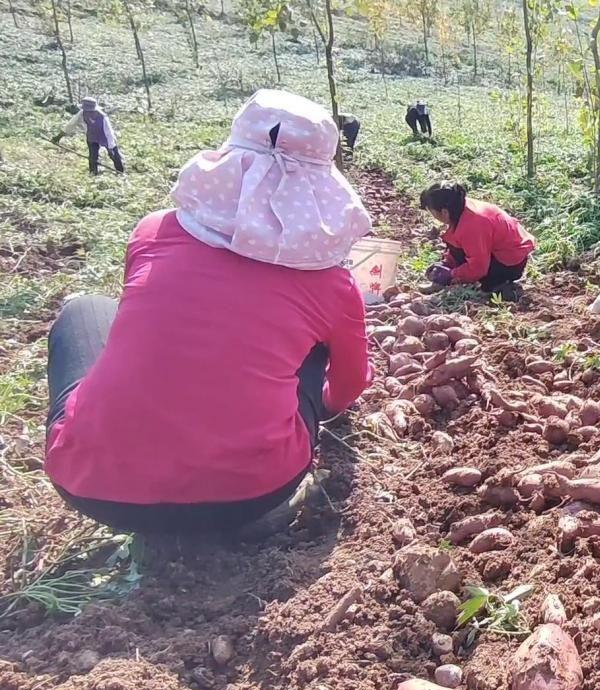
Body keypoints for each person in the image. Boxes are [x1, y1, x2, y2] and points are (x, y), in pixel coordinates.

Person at [43, 89, 374, 536]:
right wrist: (319, 405)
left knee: (85, 310)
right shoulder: (333, 285)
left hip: (92, 487)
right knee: (313, 347)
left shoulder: (153, 232)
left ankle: (115, 436)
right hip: (253, 493)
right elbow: (350, 384)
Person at [420, 181, 535, 298]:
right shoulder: (459, 208)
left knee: (487, 284)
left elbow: (478, 267)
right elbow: (457, 245)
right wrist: (446, 264)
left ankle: (500, 286)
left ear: (444, 212)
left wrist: (451, 275)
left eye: (433, 212)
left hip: (510, 262)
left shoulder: (472, 224)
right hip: (497, 249)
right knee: (459, 257)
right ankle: (442, 282)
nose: (433, 216)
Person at [52, 97, 124, 175]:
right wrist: (59, 137)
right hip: (92, 136)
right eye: (87, 111)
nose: (89, 112)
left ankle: (120, 172)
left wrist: (110, 148)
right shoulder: (82, 113)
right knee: (93, 156)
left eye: (90, 111)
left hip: (105, 137)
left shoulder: (102, 116)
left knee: (114, 155)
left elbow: (109, 133)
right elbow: (71, 124)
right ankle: (93, 172)